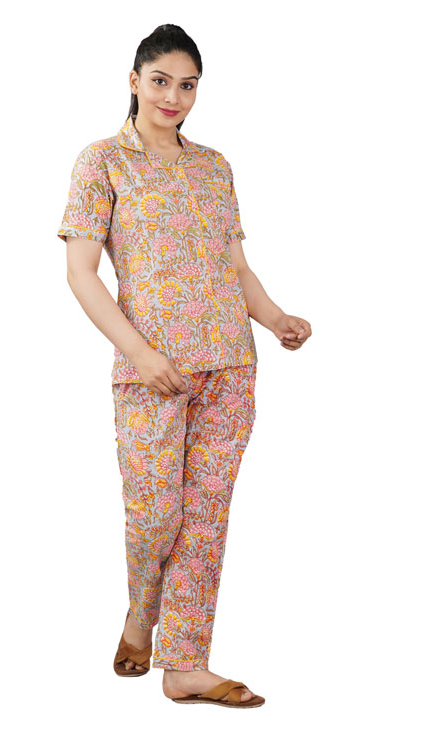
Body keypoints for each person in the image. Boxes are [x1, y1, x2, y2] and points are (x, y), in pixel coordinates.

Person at [57, 23, 312, 709]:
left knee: (204, 517)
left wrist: (275, 318)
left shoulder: (214, 166)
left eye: (188, 85)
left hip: (229, 364)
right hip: (151, 372)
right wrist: (140, 354)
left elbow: (234, 265)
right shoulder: (102, 162)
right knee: (154, 515)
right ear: (134, 81)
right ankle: (143, 611)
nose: (173, 96)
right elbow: (81, 273)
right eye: (161, 81)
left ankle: (184, 665)